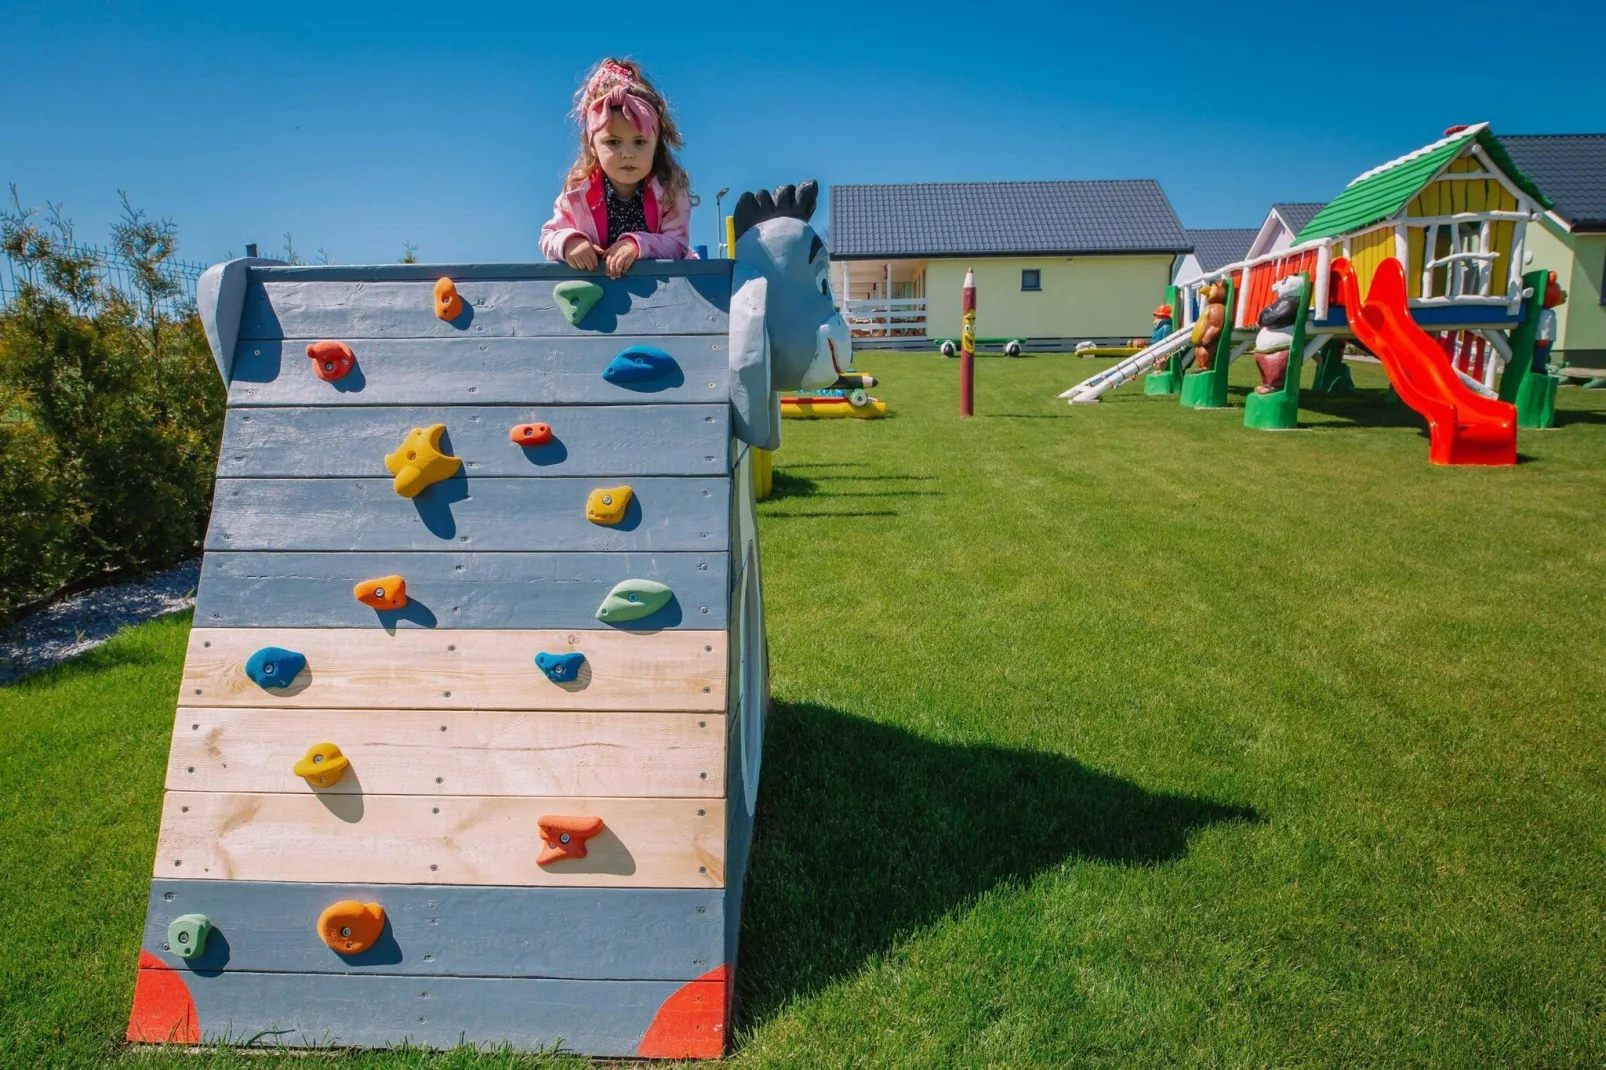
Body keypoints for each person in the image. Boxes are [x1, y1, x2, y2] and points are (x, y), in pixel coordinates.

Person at [540, 58, 695, 278]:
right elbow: (549, 236)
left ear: (656, 144)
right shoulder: (578, 192)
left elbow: (677, 244)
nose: (628, 153)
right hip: (600, 297)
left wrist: (635, 245)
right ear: (592, 145)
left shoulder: (670, 189)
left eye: (640, 142)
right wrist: (569, 242)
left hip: (662, 294)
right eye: (613, 142)